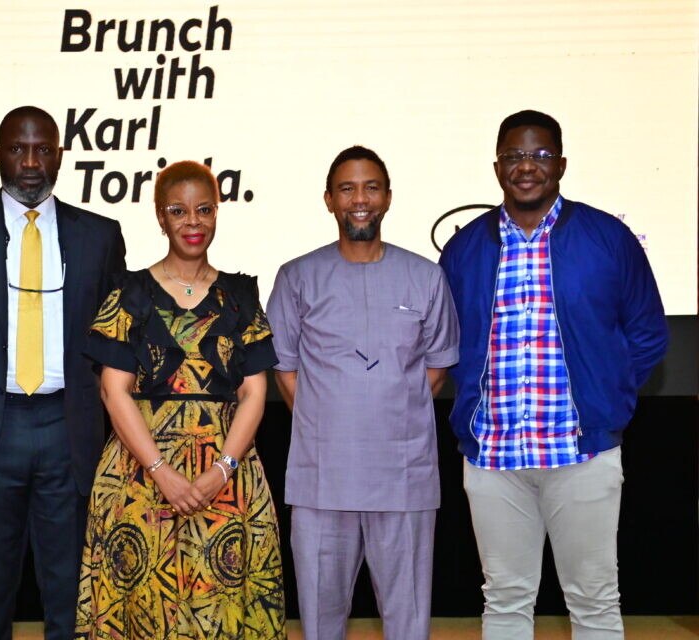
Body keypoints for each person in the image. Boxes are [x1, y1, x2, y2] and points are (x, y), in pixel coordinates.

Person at [439, 110, 668, 639]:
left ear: (561, 163)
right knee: (504, 601)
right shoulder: (465, 248)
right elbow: (443, 343)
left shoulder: (608, 237)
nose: (527, 166)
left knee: (593, 601)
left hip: (581, 455)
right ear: (497, 166)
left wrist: (605, 391)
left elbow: (649, 333)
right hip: (494, 457)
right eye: (515, 155)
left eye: (540, 155)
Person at [0, 106, 126, 640]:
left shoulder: (100, 235)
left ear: (59, 155)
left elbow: (114, 330)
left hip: (69, 425)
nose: (30, 162)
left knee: (71, 589)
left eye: (42, 149)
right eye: (17, 149)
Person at [74, 160, 286, 639]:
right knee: (144, 608)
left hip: (229, 480)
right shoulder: (129, 294)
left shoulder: (241, 296)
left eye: (204, 209)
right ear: (160, 216)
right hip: (140, 478)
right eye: (179, 210)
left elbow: (256, 391)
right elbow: (114, 389)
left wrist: (221, 470)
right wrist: (161, 471)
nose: (193, 222)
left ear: (217, 213)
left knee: (223, 606)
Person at [266, 145, 459, 639]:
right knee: (321, 621)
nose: (360, 199)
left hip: (404, 478)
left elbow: (437, 368)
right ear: (328, 200)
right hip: (321, 481)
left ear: (388, 198)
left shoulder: (425, 276)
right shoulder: (296, 277)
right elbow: (285, 370)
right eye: (347, 188)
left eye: (371, 187)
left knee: (408, 621)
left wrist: (390, 413)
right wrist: (326, 425)